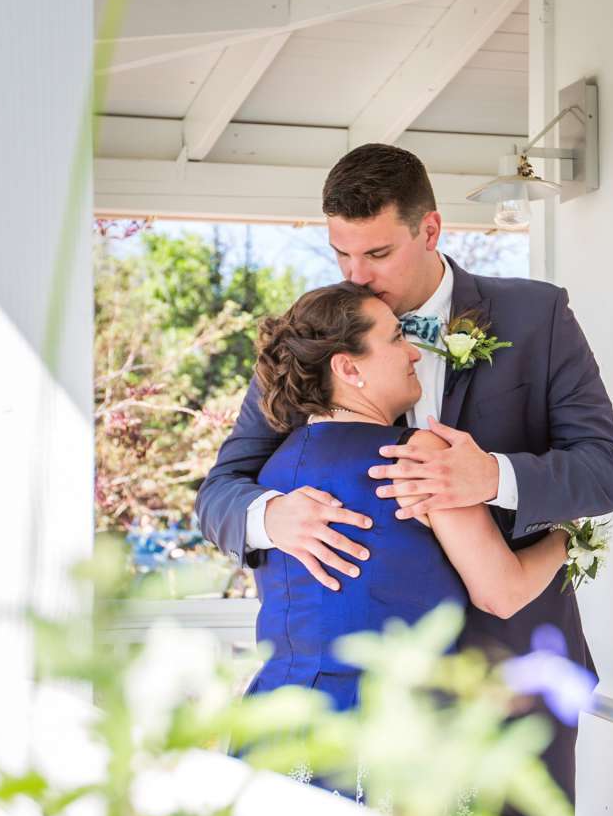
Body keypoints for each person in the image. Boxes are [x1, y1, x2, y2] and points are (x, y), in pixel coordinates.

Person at [198, 143, 613, 802]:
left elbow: (607, 469)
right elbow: (222, 489)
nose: (357, 274)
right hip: (360, 707)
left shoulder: (536, 318)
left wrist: (491, 477)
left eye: (376, 254)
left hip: (513, 683)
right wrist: (270, 516)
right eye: (340, 253)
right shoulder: (319, 337)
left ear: (429, 230)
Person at [241, 282, 571, 712]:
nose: (414, 352)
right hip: (388, 729)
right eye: (396, 338)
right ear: (348, 368)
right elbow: (501, 593)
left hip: (277, 721)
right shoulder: (416, 456)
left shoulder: (272, 473)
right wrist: (564, 539)